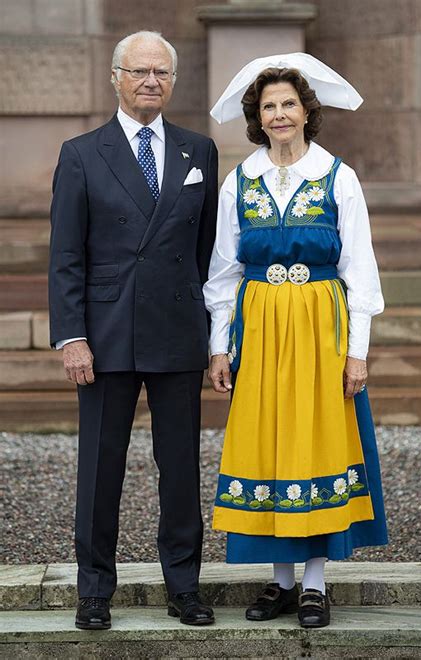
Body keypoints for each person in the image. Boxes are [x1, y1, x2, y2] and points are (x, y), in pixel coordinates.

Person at [204, 53, 388, 629]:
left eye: (288, 104)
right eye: (268, 107)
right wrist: (219, 345)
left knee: (316, 443)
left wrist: (357, 350)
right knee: (267, 442)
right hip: (259, 328)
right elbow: (225, 270)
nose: (280, 114)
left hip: (319, 330)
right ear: (257, 118)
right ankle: (280, 582)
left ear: (307, 112)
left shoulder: (338, 177)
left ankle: (313, 583)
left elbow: (361, 269)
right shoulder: (241, 179)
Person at [48, 31, 217, 629]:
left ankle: (185, 587)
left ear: (173, 82)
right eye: (140, 71)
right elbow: (66, 254)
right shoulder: (81, 153)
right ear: (115, 77)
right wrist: (72, 336)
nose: (151, 81)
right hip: (105, 332)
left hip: (175, 329)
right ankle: (93, 591)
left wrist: (210, 332)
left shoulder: (200, 151)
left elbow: (205, 253)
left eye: (162, 73)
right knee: (99, 468)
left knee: (181, 467)